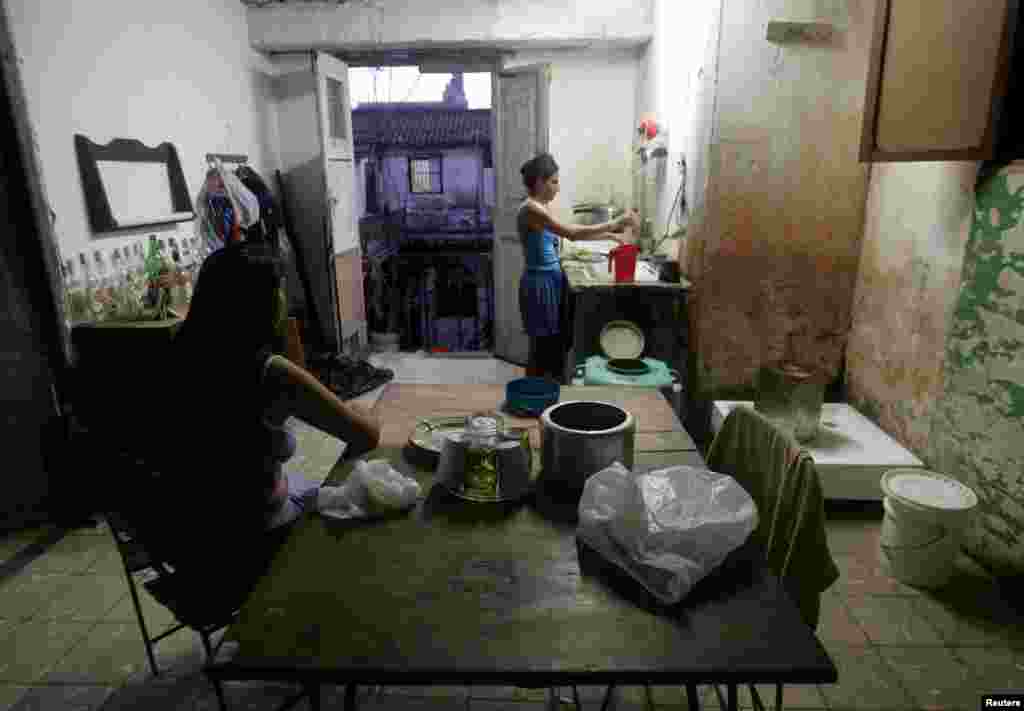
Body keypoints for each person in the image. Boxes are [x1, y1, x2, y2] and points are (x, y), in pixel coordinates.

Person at [146, 241, 381, 591]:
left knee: (305, 479)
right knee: (364, 501)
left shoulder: (170, 358)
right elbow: (364, 435)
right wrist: (358, 409)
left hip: (184, 546)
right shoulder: (267, 372)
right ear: (263, 302)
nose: (284, 298)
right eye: (279, 288)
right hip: (250, 549)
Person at [518, 153, 639, 381]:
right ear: (539, 182)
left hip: (547, 281)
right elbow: (572, 233)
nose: (557, 187)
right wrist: (617, 223)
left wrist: (611, 235)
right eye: (554, 181)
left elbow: (570, 233)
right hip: (539, 284)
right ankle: (533, 392)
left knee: (549, 345)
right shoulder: (531, 210)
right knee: (541, 348)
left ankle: (547, 388)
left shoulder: (540, 206)